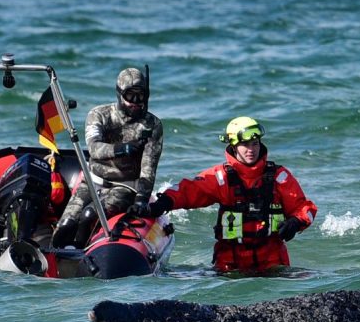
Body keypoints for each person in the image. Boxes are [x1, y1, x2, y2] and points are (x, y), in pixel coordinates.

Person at [132, 116, 317, 274]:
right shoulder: (220, 178)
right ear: (233, 147)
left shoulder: (279, 177)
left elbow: (305, 209)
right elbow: (188, 191)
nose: (251, 149)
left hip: (273, 264)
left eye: (255, 143)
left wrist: (296, 222)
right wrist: (161, 203)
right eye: (244, 145)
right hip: (230, 267)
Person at [51, 66, 163, 248]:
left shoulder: (152, 125)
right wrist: (122, 149)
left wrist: (141, 199)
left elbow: (149, 166)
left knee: (89, 216)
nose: (136, 102)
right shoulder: (99, 115)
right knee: (66, 226)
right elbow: (94, 149)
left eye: (140, 96)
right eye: (130, 96)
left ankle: (80, 259)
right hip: (92, 182)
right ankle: (51, 262)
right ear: (119, 95)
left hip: (125, 187)